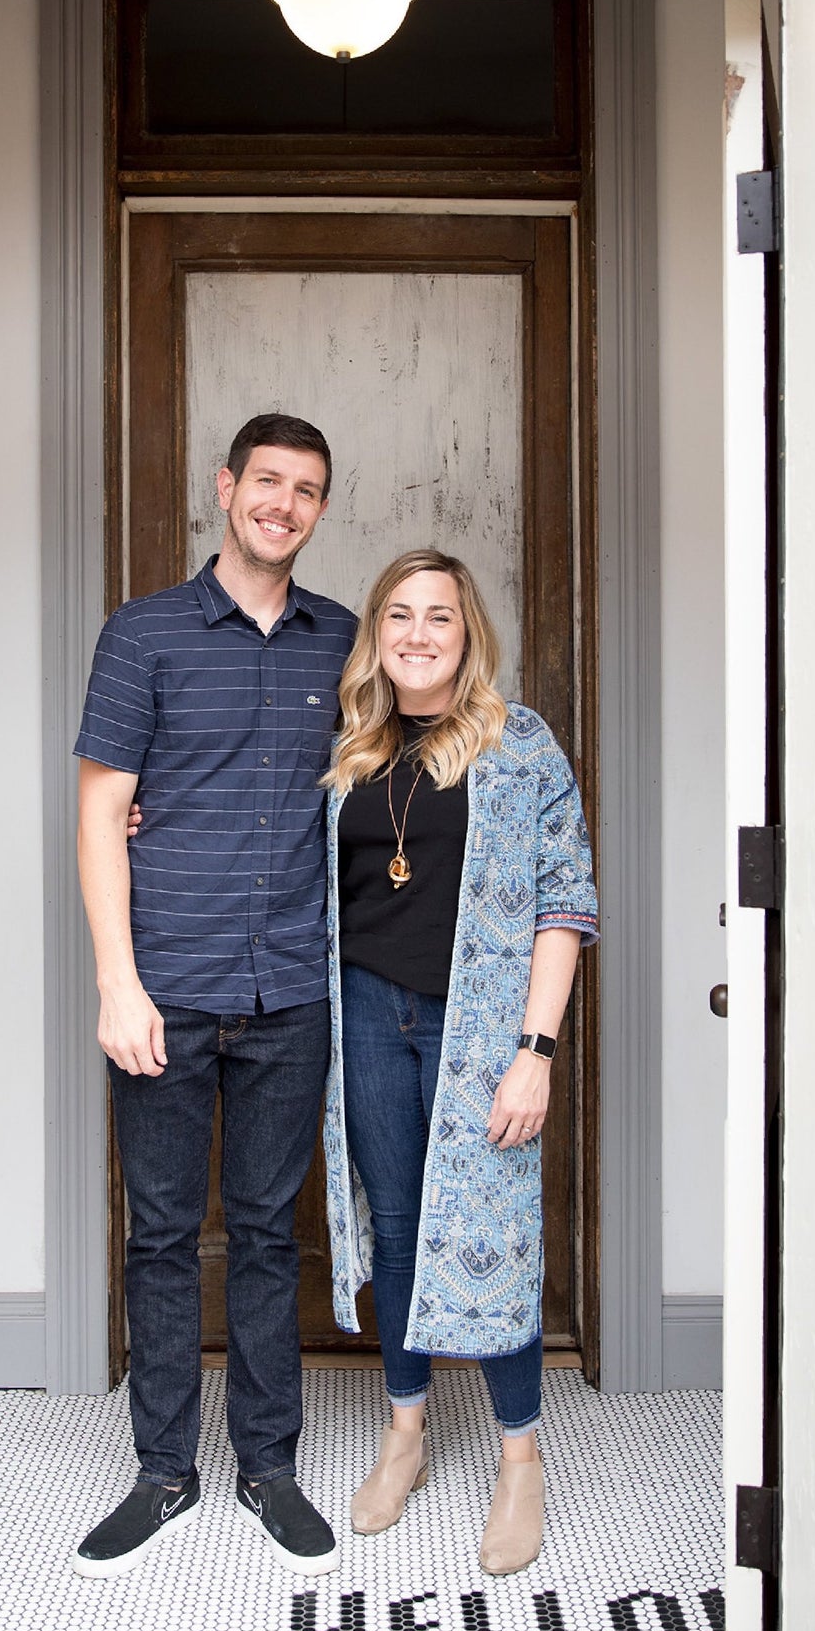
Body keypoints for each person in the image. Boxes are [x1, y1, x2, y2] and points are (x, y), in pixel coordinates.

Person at [73, 412, 356, 1580]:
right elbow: (101, 812)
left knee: (263, 1234)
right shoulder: (140, 636)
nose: (283, 504)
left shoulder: (341, 640)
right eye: (267, 482)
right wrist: (116, 983)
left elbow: (394, 776)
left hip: (292, 984)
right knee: (157, 1234)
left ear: (319, 509)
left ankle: (268, 1464)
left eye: (307, 490)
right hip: (166, 988)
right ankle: (161, 1469)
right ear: (226, 487)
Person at [321, 548, 598, 1576]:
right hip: (365, 1015)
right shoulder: (348, 749)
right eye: (399, 614)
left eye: (440, 615)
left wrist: (535, 1050)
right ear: (377, 634)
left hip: (477, 1028)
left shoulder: (520, 745)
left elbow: (564, 902)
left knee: (492, 1226)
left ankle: (519, 1458)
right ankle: (407, 1435)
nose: (419, 633)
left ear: (467, 631)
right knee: (398, 1227)